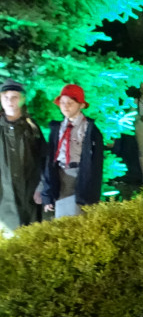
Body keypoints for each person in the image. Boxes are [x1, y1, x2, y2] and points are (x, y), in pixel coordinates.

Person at [41, 84, 104, 219]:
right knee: (62, 220)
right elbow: (50, 161)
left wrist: (93, 194)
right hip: (61, 176)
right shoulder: (57, 128)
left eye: (70, 102)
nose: (65, 106)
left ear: (81, 105)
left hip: (80, 177)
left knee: (78, 218)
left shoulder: (90, 129)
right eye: (62, 102)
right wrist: (48, 193)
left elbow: (97, 164)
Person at [0, 80, 45, 237]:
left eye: (14, 97)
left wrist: (41, 187)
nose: (10, 101)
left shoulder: (32, 128)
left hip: (29, 196)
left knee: (30, 240)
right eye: (5, 97)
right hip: (3, 199)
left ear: (22, 99)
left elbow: (42, 159)